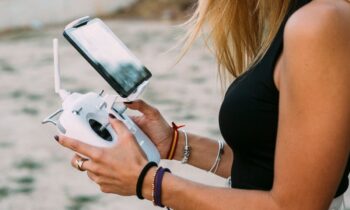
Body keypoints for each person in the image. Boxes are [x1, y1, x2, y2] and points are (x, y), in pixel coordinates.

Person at [54, 0, 350, 209]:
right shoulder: (295, 17)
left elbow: (296, 206)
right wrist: (175, 144)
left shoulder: (320, 22)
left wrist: (147, 182)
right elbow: (269, 169)